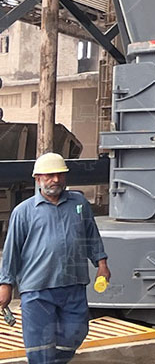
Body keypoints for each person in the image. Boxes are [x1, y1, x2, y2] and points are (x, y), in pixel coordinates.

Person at [0, 152, 110, 364]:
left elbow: (91, 236)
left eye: (60, 175)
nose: (56, 180)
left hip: (73, 285)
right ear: (38, 178)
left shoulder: (79, 204)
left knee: (76, 333)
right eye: (50, 175)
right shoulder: (23, 212)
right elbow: (11, 250)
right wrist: (6, 284)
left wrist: (101, 263)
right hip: (37, 289)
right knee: (40, 347)